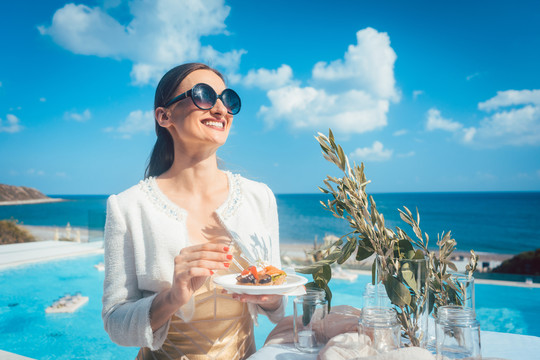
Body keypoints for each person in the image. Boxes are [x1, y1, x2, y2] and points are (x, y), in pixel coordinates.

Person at [102, 63, 285, 360]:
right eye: (203, 95)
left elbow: (278, 303)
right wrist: (173, 297)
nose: (220, 108)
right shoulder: (128, 207)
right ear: (164, 116)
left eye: (228, 100)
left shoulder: (259, 197)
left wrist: (270, 298)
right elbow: (115, 322)